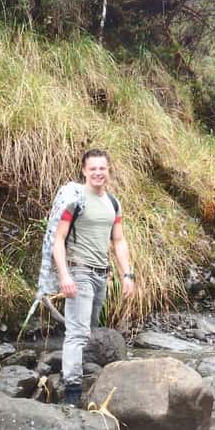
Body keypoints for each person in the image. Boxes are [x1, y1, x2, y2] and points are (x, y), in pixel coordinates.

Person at [51, 149, 134, 405]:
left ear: (108, 171)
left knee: (89, 330)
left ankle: (83, 375)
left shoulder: (113, 203)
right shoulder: (75, 200)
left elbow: (119, 241)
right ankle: (72, 392)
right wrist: (64, 275)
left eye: (102, 168)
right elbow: (58, 240)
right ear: (84, 171)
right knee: (76, 332)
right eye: (93, 168)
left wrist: (127, 274)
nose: (98, 172)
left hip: (101, 275)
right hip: (79, 272)